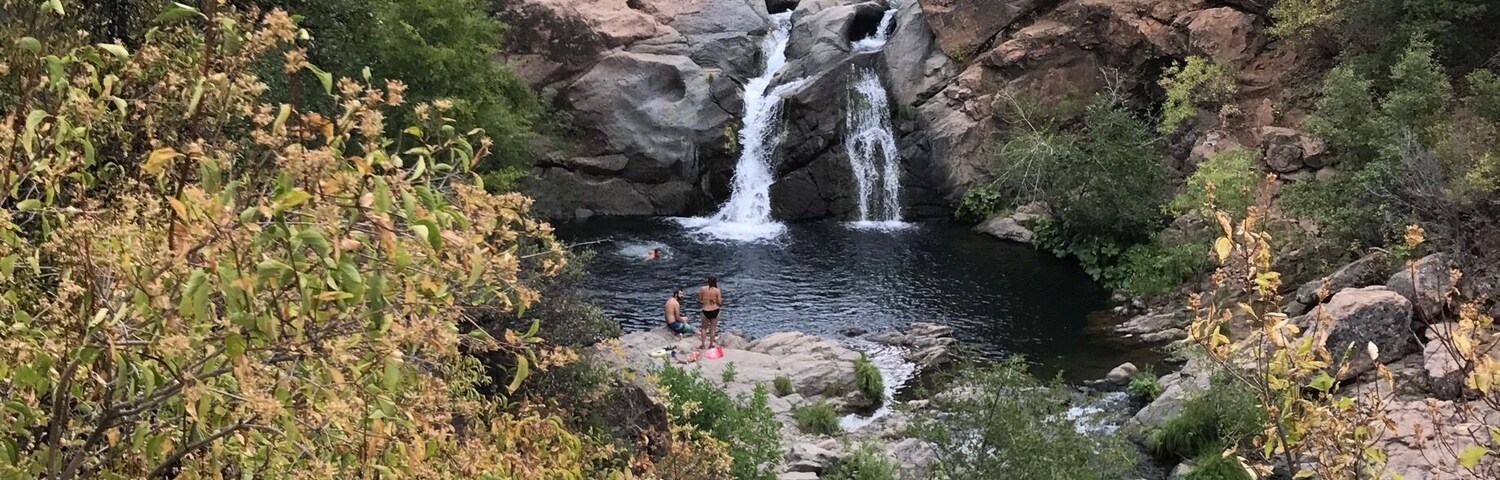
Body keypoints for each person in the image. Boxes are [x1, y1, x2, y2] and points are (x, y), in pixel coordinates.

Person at [698, 276, 722, 349]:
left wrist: (705, 301)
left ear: (708, 281)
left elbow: (700, 300)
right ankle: (711, 345)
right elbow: (719, 302)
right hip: (715, 310)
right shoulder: (717, 290)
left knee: (704, 328)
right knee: (713, 328)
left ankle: (702, 345)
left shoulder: (702, 289)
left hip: (706, 310)